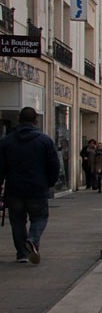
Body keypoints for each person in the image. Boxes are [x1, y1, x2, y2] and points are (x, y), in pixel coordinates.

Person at [0, 107, 60, 264]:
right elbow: (54, 164)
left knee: (17, 220)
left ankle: (22, 253)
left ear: (19, 119)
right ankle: (32, 240)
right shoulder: (44, 140)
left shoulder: (7, 141)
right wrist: (50, 182)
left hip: (14, 188)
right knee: (40, 217)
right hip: (37, 187)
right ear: (36, 121)